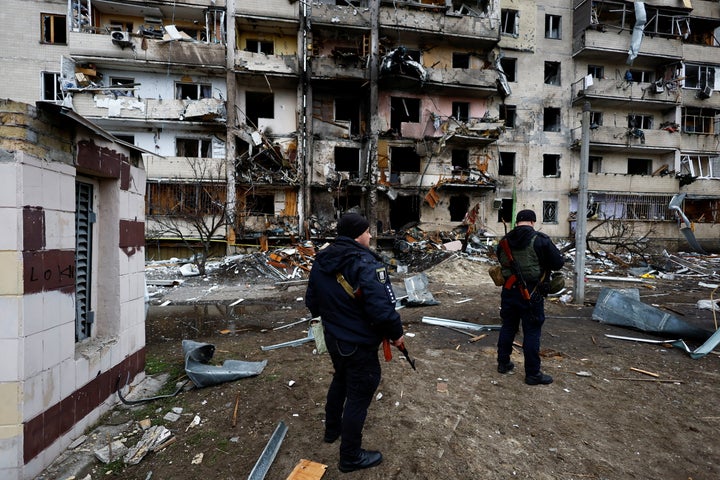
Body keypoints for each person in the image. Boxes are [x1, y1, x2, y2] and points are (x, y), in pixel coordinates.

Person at [305, 212, 405, 473]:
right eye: (367, 231)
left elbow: (311, 303)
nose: (371, 236)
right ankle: (350, 456)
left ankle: (331, 430)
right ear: (357, 234)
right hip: (357, 343)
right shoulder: (364, 262)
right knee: (359, 393)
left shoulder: (322, 260)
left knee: (341, 379)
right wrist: (397, 334)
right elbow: (382, 309)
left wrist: (337, 317)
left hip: (334, 339)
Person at [495, 209, 565, 385]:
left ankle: (503, 364)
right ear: (533, 222)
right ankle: (533, 374)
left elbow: (500, 260)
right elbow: (558, 263)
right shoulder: (540, 240)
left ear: (517, 222)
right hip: (531, 292)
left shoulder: (504, 241)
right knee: (532, 331)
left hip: (509, 291)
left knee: (508, 327)